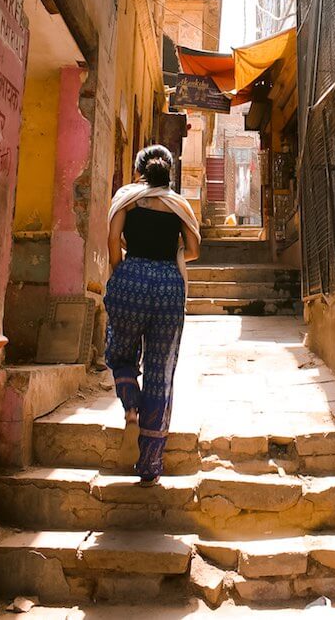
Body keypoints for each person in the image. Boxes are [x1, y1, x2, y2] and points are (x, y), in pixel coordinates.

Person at [105, 145, 200, 484]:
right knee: (161, 372)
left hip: (131, 281)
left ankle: (131, 405)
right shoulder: (179, 205)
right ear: (169, 172)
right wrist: (168, 253)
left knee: (119, 352)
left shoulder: (126, 199)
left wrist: (120, 274)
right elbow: (193, 250)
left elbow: (113, 240)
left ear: (139, 170)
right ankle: (149, 466)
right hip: (168, 289)